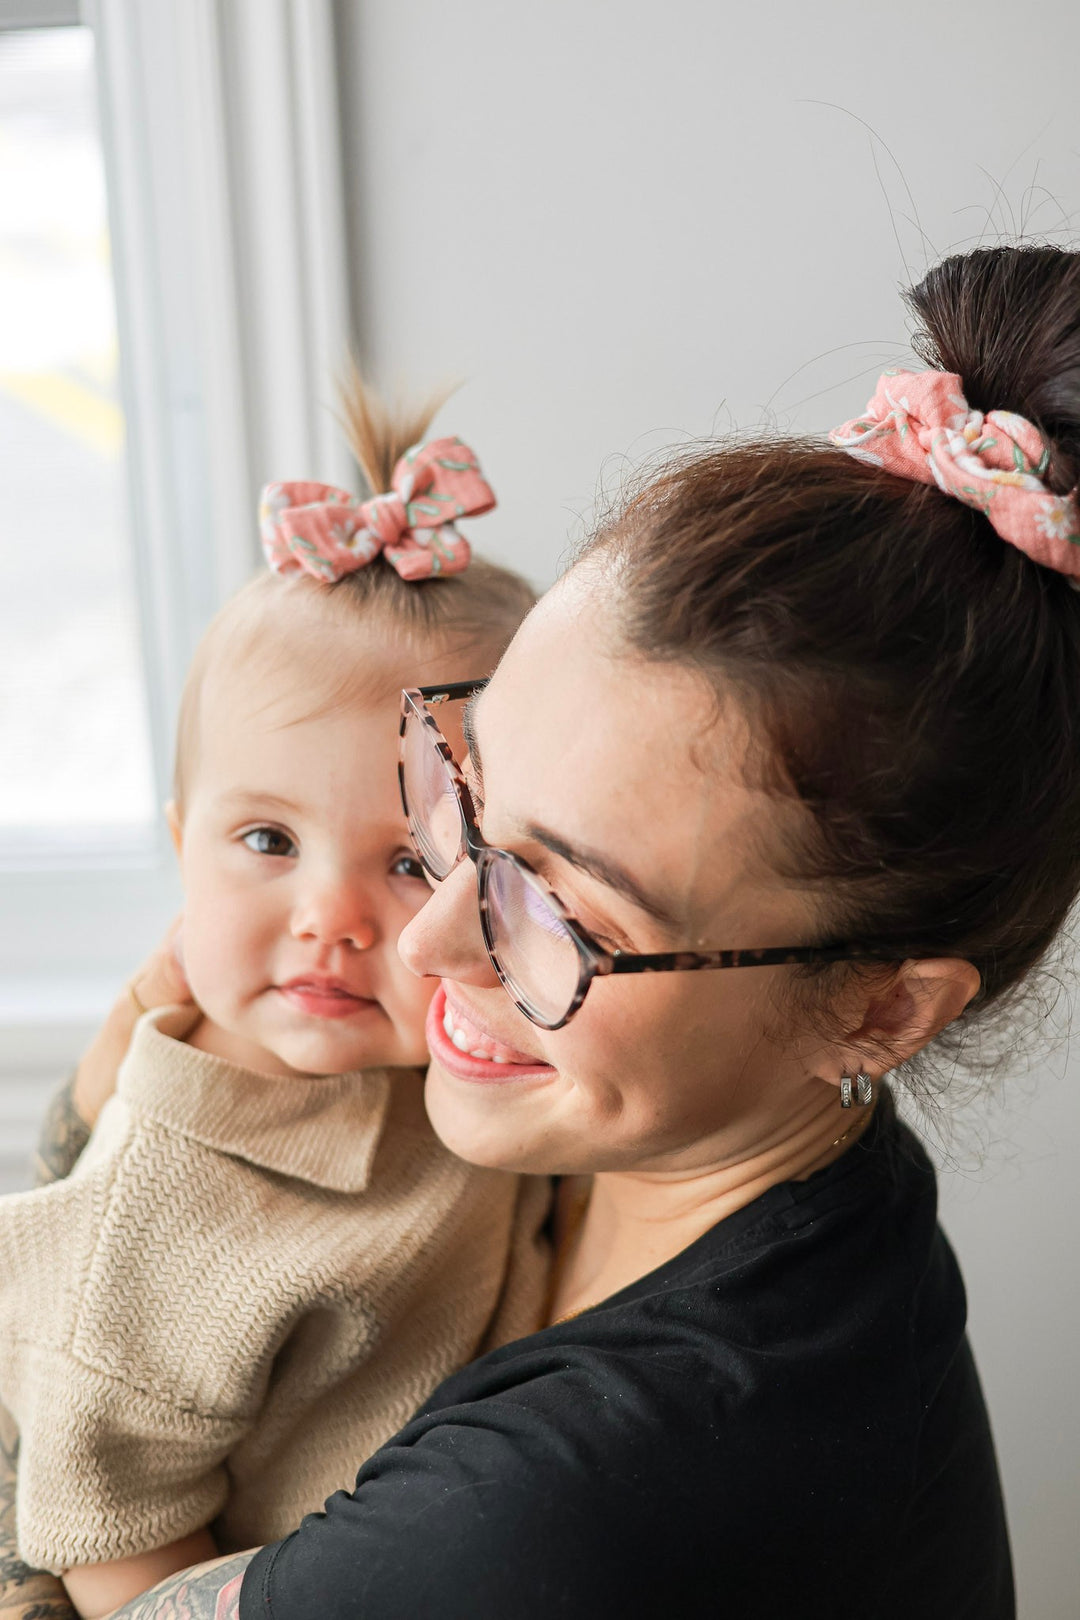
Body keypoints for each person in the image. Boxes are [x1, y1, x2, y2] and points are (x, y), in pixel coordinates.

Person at [16, 240, 1076, 1620]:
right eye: (463, 804)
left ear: (878, 1009)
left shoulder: (546, 1521)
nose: (424, 940)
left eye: (564, 914)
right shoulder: (748, 1136)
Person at [0, 378, 547, 1619]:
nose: (332, 916)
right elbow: (107, 1534)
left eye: (413, 863)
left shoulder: (472, 1058)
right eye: (265, 841)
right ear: (182, 844)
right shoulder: (168, 1196)